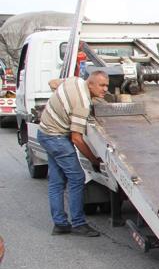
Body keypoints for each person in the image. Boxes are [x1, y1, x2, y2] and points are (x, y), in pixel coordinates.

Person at [37, 70, 109, 236]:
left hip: (45, 132)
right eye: (102, 85)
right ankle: (78, 223)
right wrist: (94, 160)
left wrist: (62, 103)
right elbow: (76, 138)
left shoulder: (74, 81)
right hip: (57, 138)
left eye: (107, 85)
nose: (105, 89)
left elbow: (53, 83)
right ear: (90, 84)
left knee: (57, 181)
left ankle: (60, 224)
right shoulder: (82, 103)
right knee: (77, 178)